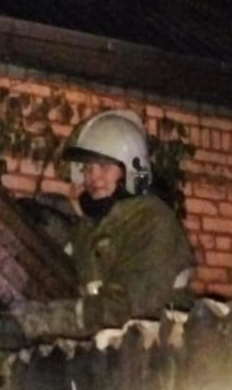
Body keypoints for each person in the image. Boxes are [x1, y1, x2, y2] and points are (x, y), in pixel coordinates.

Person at [61, 110, 195, 330]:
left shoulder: (151, 221)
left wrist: (46, 320)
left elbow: (127, 307)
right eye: (87, 167)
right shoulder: (89, 228)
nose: (93, 176)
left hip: (161, 345)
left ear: (132, 170)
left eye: (104, 166)